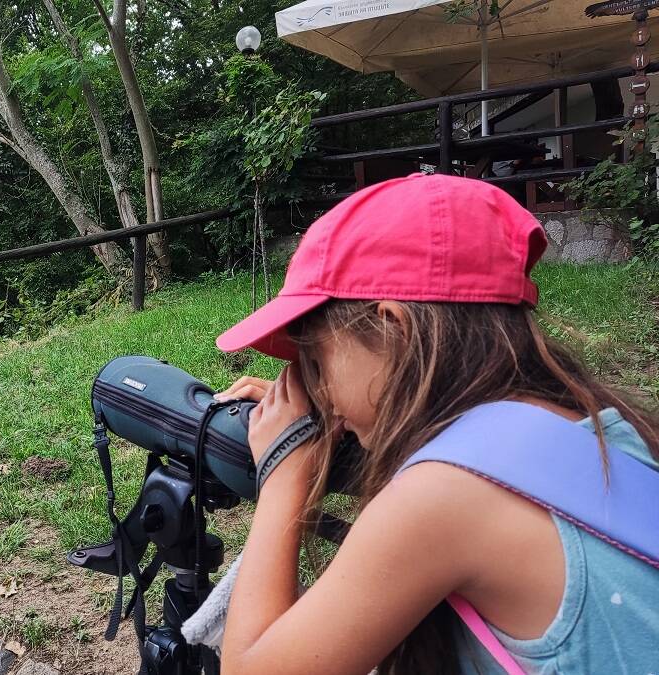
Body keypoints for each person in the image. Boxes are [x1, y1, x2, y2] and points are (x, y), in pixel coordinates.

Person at [210, 173, 659, 674]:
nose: (322, 399)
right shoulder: (599, 427)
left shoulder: (446, 494)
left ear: (393, 329)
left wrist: (282, 470)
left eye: (317, 363)